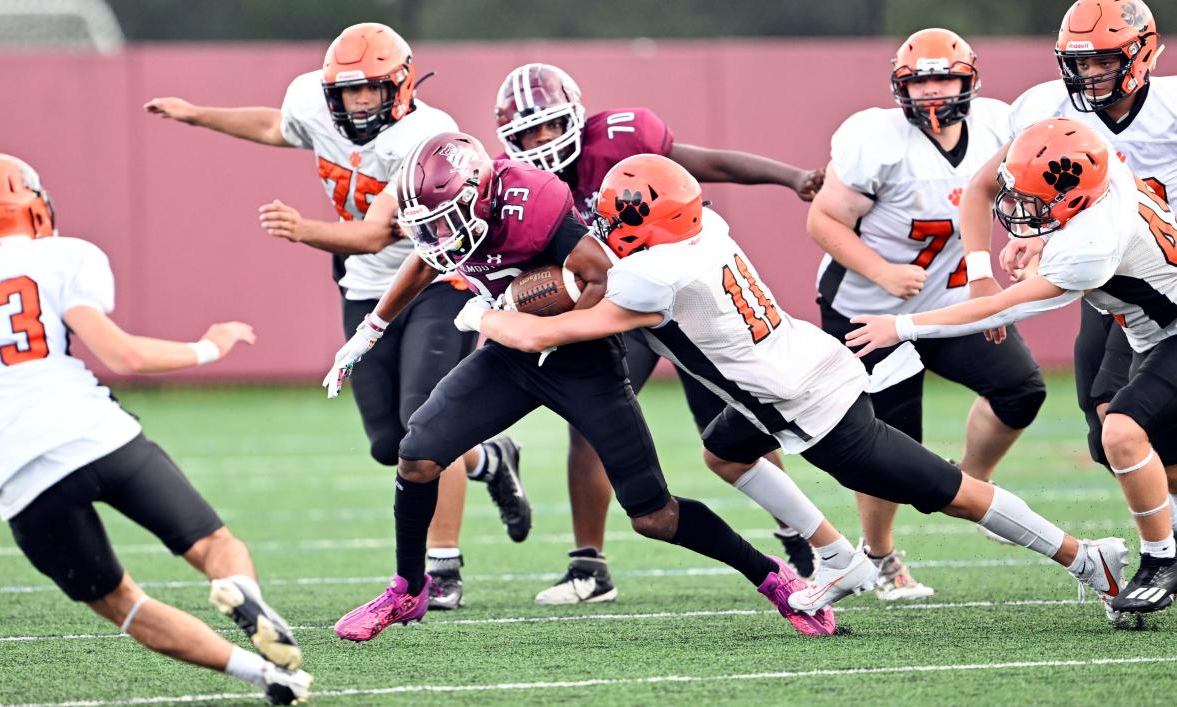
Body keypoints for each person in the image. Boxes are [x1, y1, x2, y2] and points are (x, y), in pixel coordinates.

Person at [469, 152, 1129, 624]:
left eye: (618, 217)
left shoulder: (654, 278)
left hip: (812, 406)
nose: (607, 228)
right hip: (790, 372)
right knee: (724, 451)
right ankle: (837, 555)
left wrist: (484, 311)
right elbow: (623, 259)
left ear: (651, 223)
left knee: (949, 492)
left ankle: (1084, 558)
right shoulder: (704, 229)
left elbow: (545, 335)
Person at [324, 132, 839, 640]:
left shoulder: (533, 203)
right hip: (512, 354)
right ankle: (408, 590)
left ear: (481, 195)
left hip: (584, 360)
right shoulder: (451, 223)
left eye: (445, 221)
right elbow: (427, 258)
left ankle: (770, 576)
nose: (439, 235)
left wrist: (549, 325)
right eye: (429, 224)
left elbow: (602, 277)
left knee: (654, 516)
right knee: (416, 455)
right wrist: (372, 328)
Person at [144, 22, 528, 610]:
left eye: (371, 90)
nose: (359, 102)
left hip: (437, 277)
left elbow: (375, 234)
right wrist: (198, 115)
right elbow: (277, 124)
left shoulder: (427, 134)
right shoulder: (310, 101)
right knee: (387, 443)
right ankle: (492, 457)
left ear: (398, 86)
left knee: (425, 425)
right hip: (363, 285)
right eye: (349, 92)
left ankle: (443, 565)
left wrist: (304, 231)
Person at [0, 153, 311, 704]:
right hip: (95, 434)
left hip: (19, 475)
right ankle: (242, 591)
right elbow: (123, 354)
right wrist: (209, 346)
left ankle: (266, 677)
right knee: (213, 544)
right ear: (29, 207)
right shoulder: (63, 256)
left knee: (123, 604)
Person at [492, 63, 824, 602]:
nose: (544, 142)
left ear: (575, 118)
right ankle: (589, 567)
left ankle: (801, 539)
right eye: (530, 134)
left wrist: (789, 176)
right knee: (589, 422)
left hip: (686, 299)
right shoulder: (517, 186)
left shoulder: (622, 140)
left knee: (736, 421)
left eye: (552, 127)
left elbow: (704, 164)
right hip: (619, 304)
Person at [846, 118, 1177, 614]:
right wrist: (1045, 240)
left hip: (1167, 330)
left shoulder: (1090, 247)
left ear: (1072, 199)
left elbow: (998, 308)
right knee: (1125, 443)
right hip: (1142, 326)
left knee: (1122, 435)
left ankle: (1161, 559)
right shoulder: (1100, 170)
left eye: (1038, 202)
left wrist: (902, 327)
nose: (1022, 210)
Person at [807, 28, 1047, 598]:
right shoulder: (875, 138)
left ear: (970, 81)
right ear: (901, 86)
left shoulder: (998, 125)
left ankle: (974, 480)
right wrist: (882, 271)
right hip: (868, 311)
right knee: (888, 444)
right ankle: (881, 556)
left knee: (1021, 389)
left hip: (947, 303)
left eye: (946, 79)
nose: (935, 93)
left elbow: (1020, 198)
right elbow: (823, 221)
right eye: (922, 81)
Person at [960, 0, 1175, 482]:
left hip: (1163, 281)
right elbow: (984, 187)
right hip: (1105, 280)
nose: (1091, 74)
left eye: (1105, 60)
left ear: (1141, 56)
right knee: (1104, 430)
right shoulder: (1045, 108)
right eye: (1080, 63)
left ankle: (1166, 547)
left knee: (1132, 421)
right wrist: (981, 276)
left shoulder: (1170, 108)